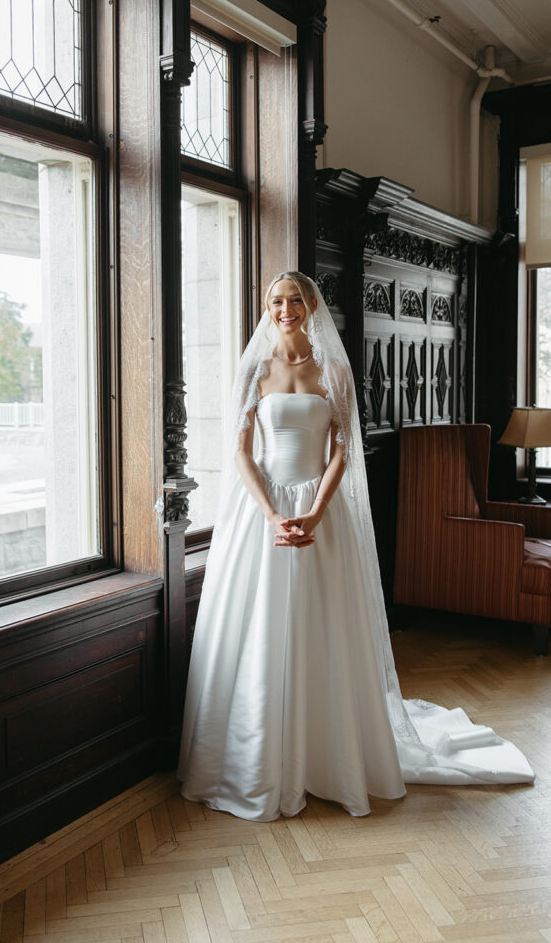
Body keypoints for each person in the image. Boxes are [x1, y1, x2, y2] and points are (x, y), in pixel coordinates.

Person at [177, 271, 534, 820]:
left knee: (325, 624)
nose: (285, 309)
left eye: (295, 299)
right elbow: (242, 453)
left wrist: (314, 511)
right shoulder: (255, 369)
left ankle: (328, 752)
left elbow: (344, 449)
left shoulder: (333, 369)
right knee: (258, 627)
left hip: (322, 511)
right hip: (264, 513)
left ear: (312, 305)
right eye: (276, 301)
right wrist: (274, 513)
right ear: (268, 308)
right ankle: (257, 760)